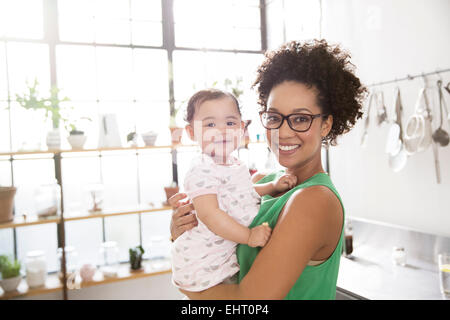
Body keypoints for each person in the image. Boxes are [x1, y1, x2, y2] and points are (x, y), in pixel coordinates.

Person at [169, 39, 366, 299]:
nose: (283, 132)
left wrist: (187, 287)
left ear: (326, 124)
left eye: (300, 119)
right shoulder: (264, 182)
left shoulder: (315, 201)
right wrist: (183, 230)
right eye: (274, 117)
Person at [171, 88, 297, 293]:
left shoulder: (233, 164)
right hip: (203, 266)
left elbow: (241, 195)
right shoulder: (202, 168)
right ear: (191, 133)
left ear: (241, 128)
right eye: (210, 124)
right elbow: (210, 214)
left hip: (220, 261)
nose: (222, 131)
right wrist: (248, 236)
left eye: (230, 123)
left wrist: (271, 186)